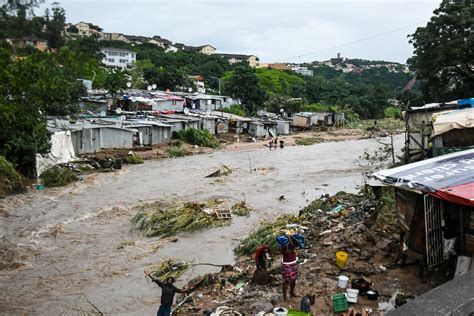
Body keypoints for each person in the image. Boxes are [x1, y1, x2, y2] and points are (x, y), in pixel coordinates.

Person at [280, 236, 299, 301]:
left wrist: (289, 237)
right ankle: (284, 297)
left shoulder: (290, 246)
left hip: (294, 263)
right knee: (286, 281)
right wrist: (288, 237)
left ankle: (292, 293)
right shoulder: (283, 247)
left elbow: (293, 245)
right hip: (287, 265)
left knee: (294, 279)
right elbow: (287, 250)